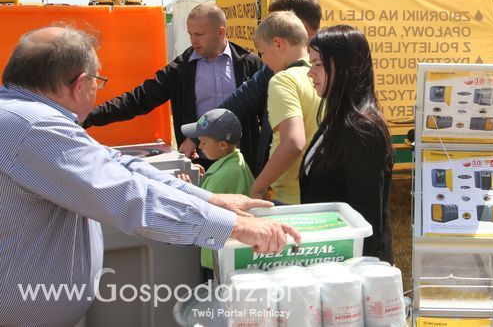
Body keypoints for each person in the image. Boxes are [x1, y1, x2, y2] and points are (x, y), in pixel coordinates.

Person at [0, 26, 300, 327]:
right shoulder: (33, 127)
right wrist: (236, 226)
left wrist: (209, 199)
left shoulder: (29, 117)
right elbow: (125, 195)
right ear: (81, 84)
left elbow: (118, 164)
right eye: (99, 82)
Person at [82, 3, 263, 171]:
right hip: (200, 164)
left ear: (221, 32)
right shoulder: (180, 69)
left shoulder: (249, 63)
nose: (193, 40)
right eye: (190, 34)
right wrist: (89, 117)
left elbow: (266, 116)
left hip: (244, 165)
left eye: (199, 34)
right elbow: (138, 99)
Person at [301, 25, 394, 263]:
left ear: (345, 68)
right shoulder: (337, 120)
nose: (311, 73)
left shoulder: (361, 129)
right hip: (330, 262)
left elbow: (367, 221)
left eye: (318, 64)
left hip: (350, 271)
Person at [216, 0, 323, 176]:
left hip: (305, 183)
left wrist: (260, 184)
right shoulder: (276, 67)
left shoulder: (331, 62)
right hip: (283, 182)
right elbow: (240, 100)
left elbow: (293, 142)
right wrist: (203, 128)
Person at [250, 11, 321, 203]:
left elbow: (293, 142)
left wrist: (258, 186)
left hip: (290, 198)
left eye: (263, 53)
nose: (264, 60)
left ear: (278, 43)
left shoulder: (283, 80)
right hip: (319, 189)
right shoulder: (319, 74)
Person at [181, 108, 254, 281]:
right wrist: (204, 180)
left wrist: (187, 190)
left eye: (204, 143)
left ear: (222, 145)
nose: (199, 147)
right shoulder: (234, 164)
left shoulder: (224, 175)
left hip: (216, 260)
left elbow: (203, 213)